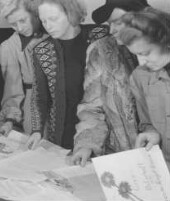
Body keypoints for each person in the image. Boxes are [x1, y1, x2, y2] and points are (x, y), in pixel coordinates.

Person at [71, 0, 151, 167]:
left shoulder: (163, 50)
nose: (112, 30)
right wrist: (87, 144)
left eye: (118, 22)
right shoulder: (101, 51)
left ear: (142, 18)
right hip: (122, 159)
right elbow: (91, 108)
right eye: (109, 24)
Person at [28, 0, 108, 149]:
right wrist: (37, 130)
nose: (48, 26)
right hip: (63, 132)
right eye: (43, 20)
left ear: (71, 13)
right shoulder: (42, 51)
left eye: (53, 18)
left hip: (103, 128)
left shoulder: (100, 35)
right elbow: (40, 97)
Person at [119, 8, 170, 170]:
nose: (141, 62)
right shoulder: (139, 77)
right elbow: (147, 122)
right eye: (136, 55)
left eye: (146, 53)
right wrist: (152, 133)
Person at [0, 0, 49, 135]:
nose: (19, 28)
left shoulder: (54, 33)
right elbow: (12, 89)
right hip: (32, 105)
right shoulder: (9, 47)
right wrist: (10, 119)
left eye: (23, 20)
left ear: (35, 13)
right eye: (13, 24)